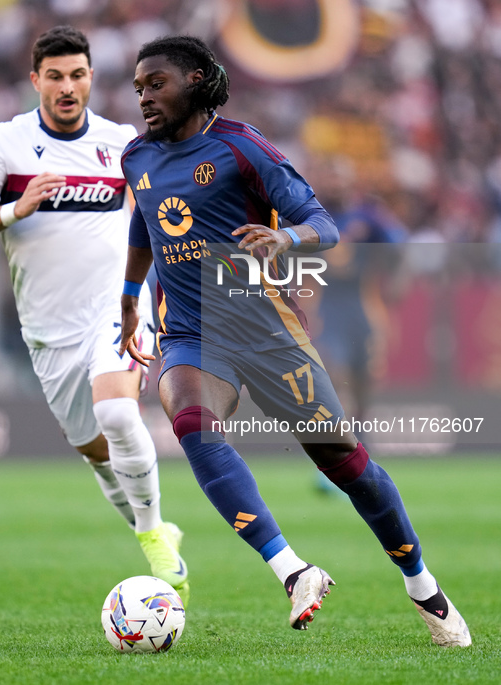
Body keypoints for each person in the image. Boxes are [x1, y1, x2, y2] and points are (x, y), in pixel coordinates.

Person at [118, 35, 470, 646]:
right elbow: (144, 225)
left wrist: (287, 241)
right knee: (193, 424)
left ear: (198, 80)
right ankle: (294, 572)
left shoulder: (242, 146)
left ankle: (423, 587)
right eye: (139, 88)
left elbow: (324, 225)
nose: (144, 97)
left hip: (266, 332)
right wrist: (128, 298)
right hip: (192, 335)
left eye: (157, 84)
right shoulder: (137, 157)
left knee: (346, 464)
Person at [0, 26, 188, 603]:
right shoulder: (5, 143)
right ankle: (148, 526)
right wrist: (16, 208)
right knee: (96, 450)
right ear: (36, 80)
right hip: (48, 330)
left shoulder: (121, 141)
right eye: (54, 76)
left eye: (77, 74)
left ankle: (154, 536)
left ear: (90, 78)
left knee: (118, 412)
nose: (66, 86)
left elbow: (152, 215)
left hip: (117, 305)